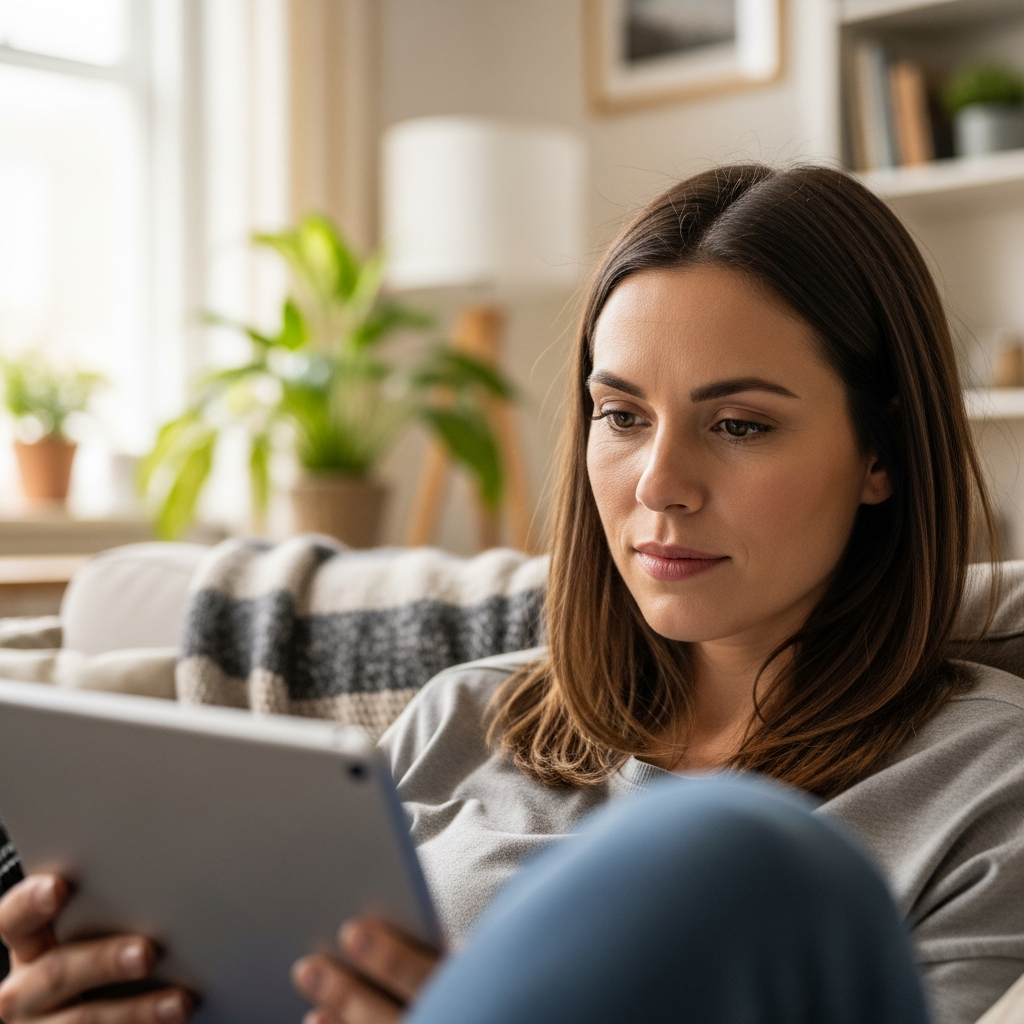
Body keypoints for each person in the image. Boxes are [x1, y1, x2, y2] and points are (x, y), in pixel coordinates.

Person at [2, 164, 1023, 1024]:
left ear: (882, 452)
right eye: (621, 416)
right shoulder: (464, 718)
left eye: (740, 425)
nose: (658, 484)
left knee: (731, 848)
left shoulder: (986, 782)